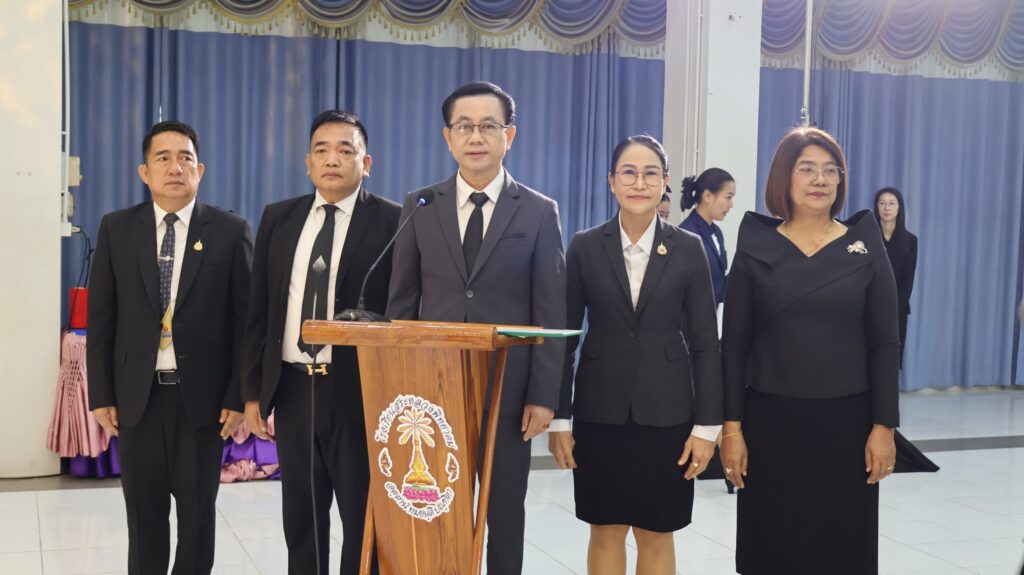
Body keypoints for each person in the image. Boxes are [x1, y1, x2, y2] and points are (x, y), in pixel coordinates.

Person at [386, 81, 566, 575]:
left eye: (488, 126)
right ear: (447, 137)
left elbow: (551, 313)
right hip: (432, 391)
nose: (476, 136)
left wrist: (543, 395)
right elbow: (402, 305)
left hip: (509, 393)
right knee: (437, 511)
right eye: (464, 126)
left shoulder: (538, 210)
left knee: (504, 514)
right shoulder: (420, 206)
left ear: (510, 135)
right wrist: (402, 387)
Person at [720, 127, 899, 574]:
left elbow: (884, 343)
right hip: (770, 421)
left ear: (840, 179)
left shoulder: (865, 246)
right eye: (807, 169)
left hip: (847, 423)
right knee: (774, 544)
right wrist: (732, 429)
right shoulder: (756, 246)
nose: (820, 179)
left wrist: (884, 426)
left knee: (841, 546)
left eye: (830, 170)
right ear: (785, 177)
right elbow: (735, 344)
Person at [548, 135, 722, 575]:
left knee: (657, 532)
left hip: (668, 414)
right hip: (599, 413)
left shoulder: (688, 248)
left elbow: (706, 342)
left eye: (650, 174)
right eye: (628, 172)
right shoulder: (585, 246)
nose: (639, 183)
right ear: (611, 180)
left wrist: (707, 427)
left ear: (665, 182)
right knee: (605, 529)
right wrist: (560, 419)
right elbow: (564, 339)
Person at [87, 120, 252, 574]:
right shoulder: (117, 229)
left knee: (197, 519)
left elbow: (245, 324)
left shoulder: (230, 231)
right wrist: (101, 393)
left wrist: (238, 394)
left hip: (202, 403)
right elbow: (101, 319)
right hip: (136, 400)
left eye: (185, 158)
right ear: (145, 172)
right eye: (163, 158)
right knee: (144, 517)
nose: (175, 167)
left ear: (201, 170)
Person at [241, 110, 401, 575]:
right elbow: (259, 309)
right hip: (294, 388)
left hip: (359, 392)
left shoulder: (394, 221)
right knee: (302, 516)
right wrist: (253, 392)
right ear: (307, 162)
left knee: (362, 516)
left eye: (345, 150)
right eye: (322, 150)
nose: (333, 159)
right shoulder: (279, 217)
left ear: (366, 163)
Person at [873, 187, 917, 365]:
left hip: (897, 310)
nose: (886, 208)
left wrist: (895, 309)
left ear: (899, 208)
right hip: (869, 308)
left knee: (891, 360)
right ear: (876, 207)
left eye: (891, 203)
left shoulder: (910, 240)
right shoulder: (867, 238)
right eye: (882, 203)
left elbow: (908, 279)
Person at [679, 168, 735, 307]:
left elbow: (718, 283)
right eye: (728, 197)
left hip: (712, 316)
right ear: (708, 196)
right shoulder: (686, 233)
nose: (731, 205)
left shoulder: (717, 232)